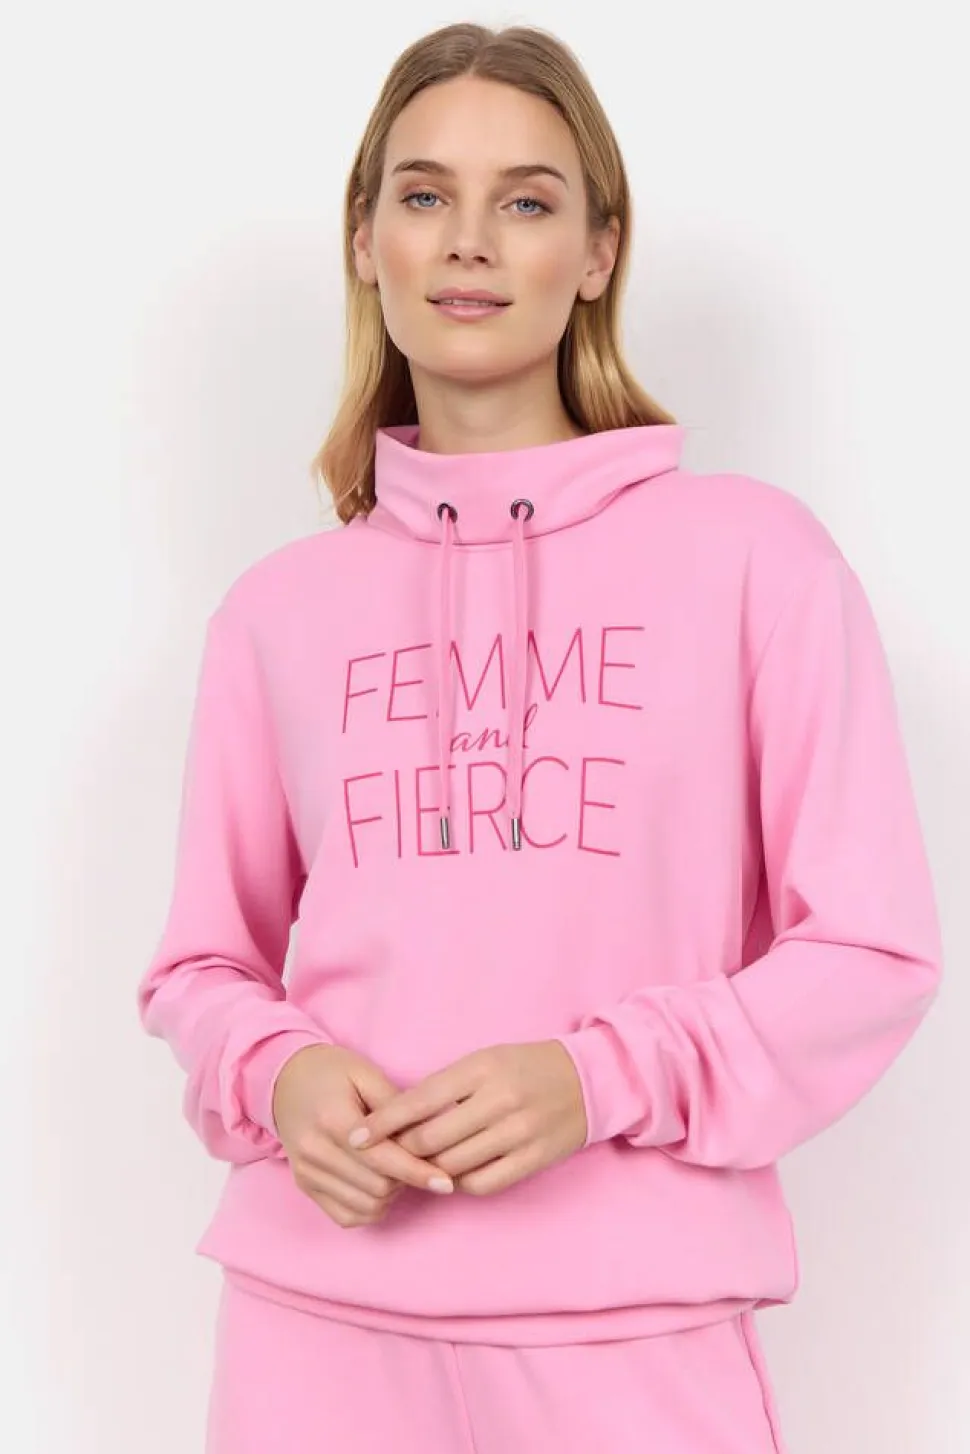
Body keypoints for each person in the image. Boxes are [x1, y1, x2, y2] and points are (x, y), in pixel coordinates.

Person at [136, 21, 944, 1454]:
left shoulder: (753, 560)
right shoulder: (275, 612)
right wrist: (279, 1073)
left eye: (525, 200)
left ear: (596, 252)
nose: (469, 241)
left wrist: (596, 1076)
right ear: (364, 240)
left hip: (630, 1332)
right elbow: (202, 966)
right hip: (312, 1329)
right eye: (424, 194)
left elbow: (869, 952)